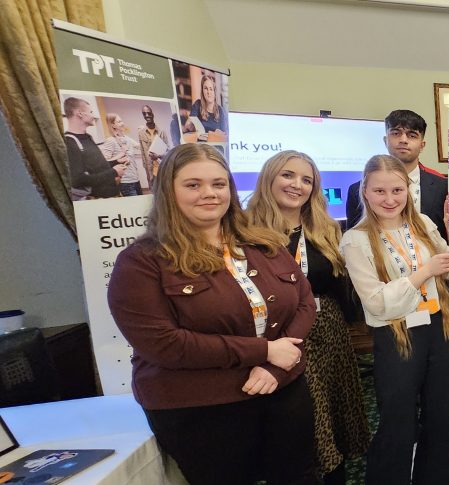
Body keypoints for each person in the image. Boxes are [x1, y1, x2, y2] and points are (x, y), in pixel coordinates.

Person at [106, 143, 317, 485]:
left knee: (299, 477)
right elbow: (164, 344)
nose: (209, 194)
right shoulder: (143, 261)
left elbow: (304, 301)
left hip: (281, 386)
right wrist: (264, 351)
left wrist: (275, 365)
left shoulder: (261, 242)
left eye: (219, 184)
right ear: (168, 190)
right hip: (201, 404)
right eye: (193, 185)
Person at [340, 155, 449, 484]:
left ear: (408, 190)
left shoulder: (422, 222)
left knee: (442, 417)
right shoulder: (355, 240)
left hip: (438, 327)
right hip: (396, 334)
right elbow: (377, 302)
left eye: (397, 190)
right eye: (379, 191)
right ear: (364, 192)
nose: (390, 199)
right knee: (398, 421)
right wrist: (424, 271)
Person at [246, 150, 371, 485]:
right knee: (300, 418)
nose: (296, 185)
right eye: (288, 175)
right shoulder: (245, 231)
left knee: (331, 412)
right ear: (269, 178)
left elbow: (340, 284)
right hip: (277, 333)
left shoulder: (325, 228)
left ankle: (335, 475)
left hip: (326, 331)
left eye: (306, 179)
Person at [345, 110, 449, 233]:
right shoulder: (357, 190)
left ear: (422, 145)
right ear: (385, 140)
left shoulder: (443, 186)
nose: (403, 140)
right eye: (396, 133)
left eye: (412, 135)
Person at [63, 97, 124, 199]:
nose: (93, 116)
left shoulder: (88, 137)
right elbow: (78, 180)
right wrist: (114, 172)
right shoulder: (70, 142)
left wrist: (116, 162)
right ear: (80, 113)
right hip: (100, 200)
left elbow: (95, 168)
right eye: (90, 112)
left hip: (113, 195)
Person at [100, 113, 149, 196]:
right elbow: (103, 162)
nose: (122, 123)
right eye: (119, 122)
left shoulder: (127, 138)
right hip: (125, 182)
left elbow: (142, 147)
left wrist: (142, 133)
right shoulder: (111, 140)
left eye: (121, 121)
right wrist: (120, 155)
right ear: (113, 125)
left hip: (135, 179)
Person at [137, 104, 172, 185]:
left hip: (162, 168)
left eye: (149, 113)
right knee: (153, 191)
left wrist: (158, 156)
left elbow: (168, 151)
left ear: (152, 114)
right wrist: (146, 170)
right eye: (144, 114)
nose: (147, 115)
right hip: (150, 171)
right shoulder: (141, 133)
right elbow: (143, 154)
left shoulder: (161, 132)